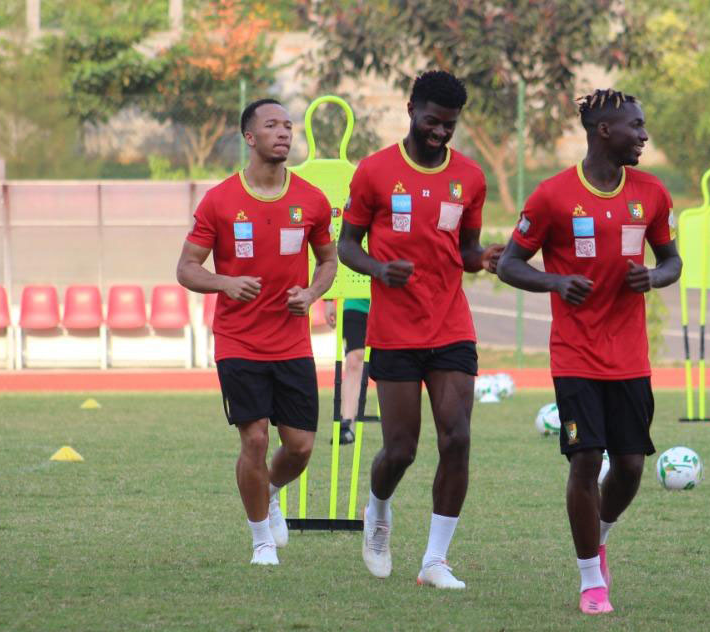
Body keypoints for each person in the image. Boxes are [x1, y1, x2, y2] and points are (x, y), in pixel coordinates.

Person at [497, 88, 681, 615]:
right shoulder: (553, 196)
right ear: (604, 131)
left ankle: (598, 535)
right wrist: (556, 282)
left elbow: (672, 262)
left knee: (630, 467)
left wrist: (654, 277)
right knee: (585, 460)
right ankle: (589, 580)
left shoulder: (652, 192)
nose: (644, 135)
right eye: (636, 126)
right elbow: (509, 264)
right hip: (575, 353)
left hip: (630, 356)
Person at [337, 70, 502, 589]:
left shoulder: (470, 177)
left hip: (451, 325)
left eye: (450, 125)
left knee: (457, 438)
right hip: (394, 330)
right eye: (433, 121)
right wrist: (378, 269)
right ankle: (378, 508)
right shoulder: (374, 172)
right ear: (411, 109)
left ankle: (435, 561)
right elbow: (347, 245)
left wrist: (484, 259)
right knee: (401, 450)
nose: (440, 132)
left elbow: (466, 249)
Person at [176, 99, 338, 565]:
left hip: (291, 341)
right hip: (238, 341)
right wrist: (225, 283)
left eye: (288, 125)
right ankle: (261, 541)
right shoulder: (220, 200)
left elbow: (328, 260)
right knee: (255, 439)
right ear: (250, 137)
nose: (283, 133)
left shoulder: (311, 199)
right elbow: (186, 268)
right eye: (272, 125)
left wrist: (312, 294)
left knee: (301, 447)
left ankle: (267, 491)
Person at [324, 297, 370, 444]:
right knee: (354, 360)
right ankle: (347, 424)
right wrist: (328, 300)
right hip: (355, 302)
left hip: (390, 305)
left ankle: (398, 424)